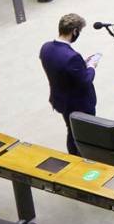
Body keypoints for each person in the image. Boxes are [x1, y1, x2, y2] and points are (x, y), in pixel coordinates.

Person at [39, 13, 100, 155]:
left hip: (60, 99)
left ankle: (73, 156)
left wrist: (80, 66)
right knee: (85, 134)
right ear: (75, 31)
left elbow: (61, 68)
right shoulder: (72, 57)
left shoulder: (46, 48)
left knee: (71, 130)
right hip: (79, 104)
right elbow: (85, 80)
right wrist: (91, 66)